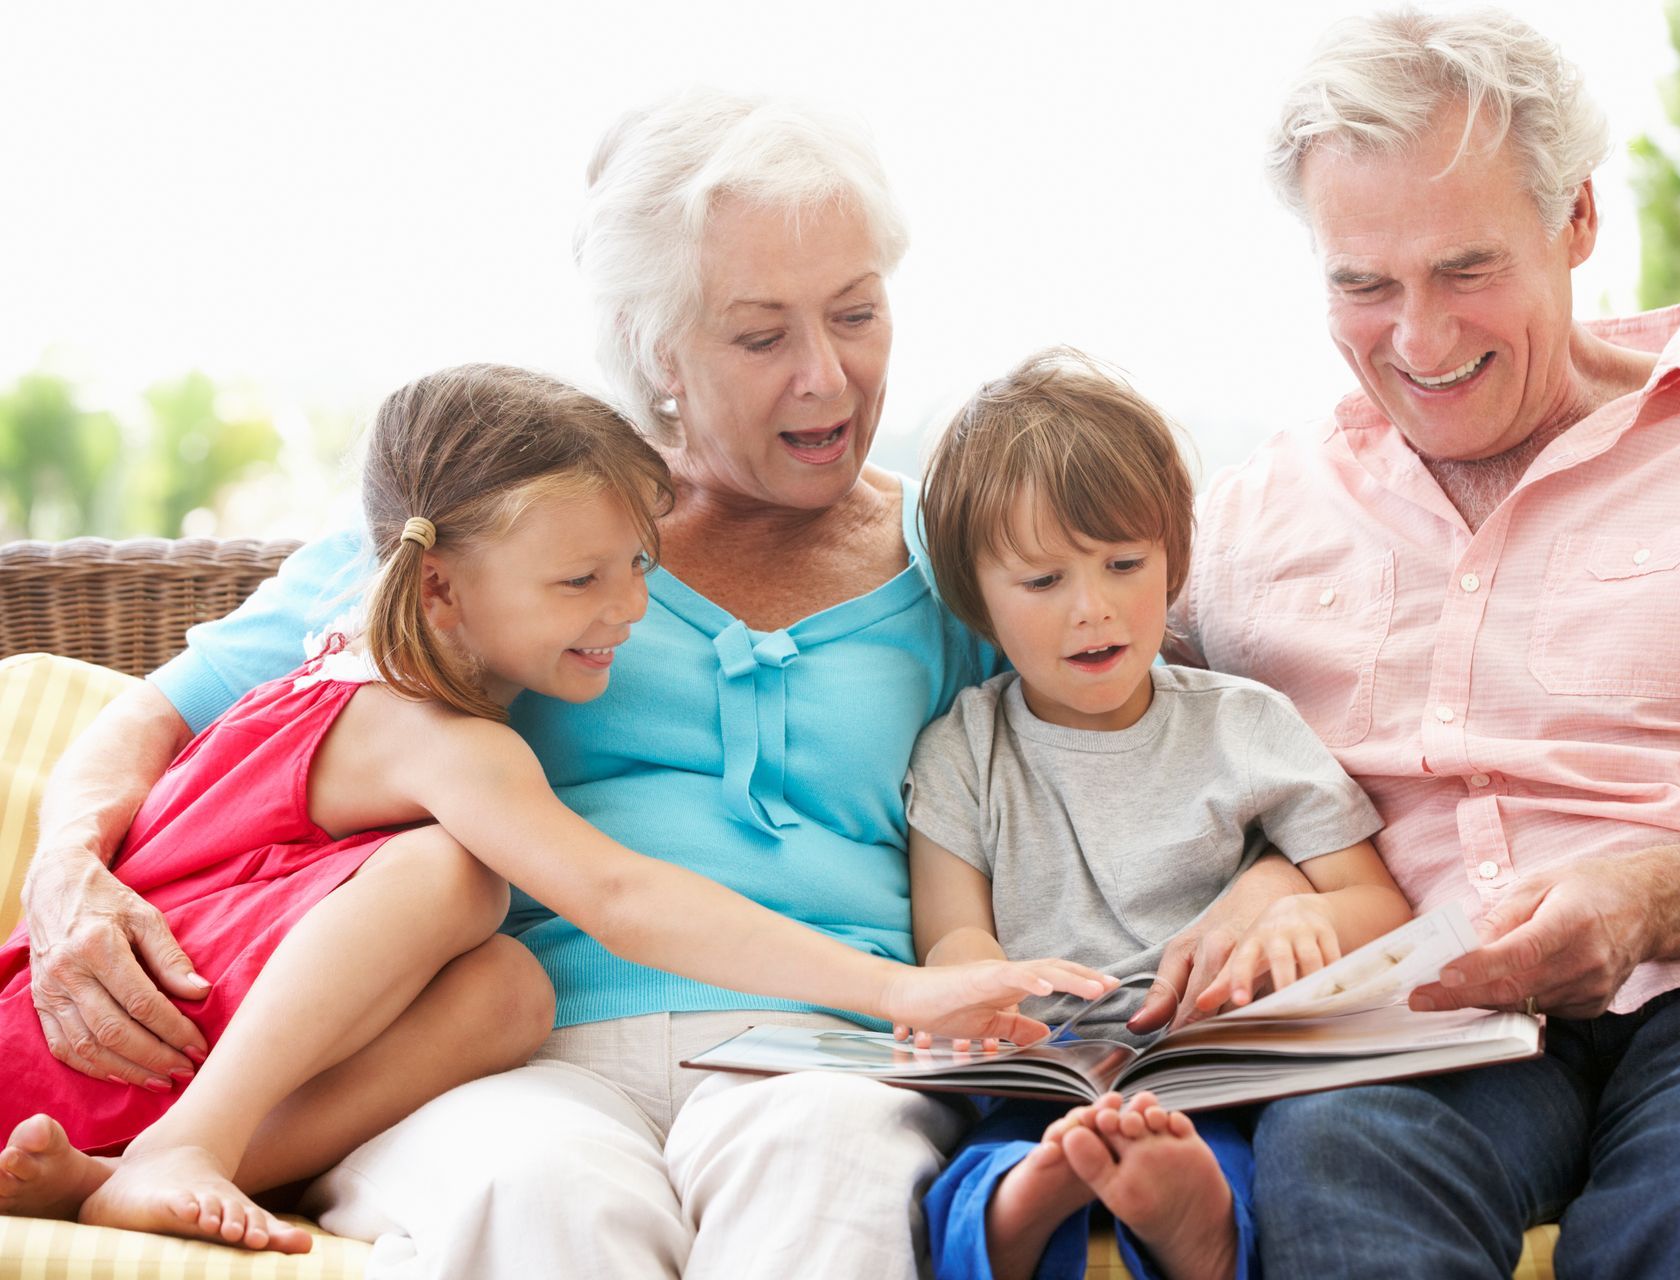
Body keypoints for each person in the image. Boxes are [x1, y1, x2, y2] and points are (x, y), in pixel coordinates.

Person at [13, 91, 1298, 1278]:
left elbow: (1152, 726)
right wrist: (68, 868)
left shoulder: (965, 562)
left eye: (856, 312)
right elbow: (158, 709)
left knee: (830, 1170)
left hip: (831, 1044)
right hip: (514, 1046)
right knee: (537, 1193)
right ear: (653, 349)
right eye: (760, 333)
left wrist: (1282, 869)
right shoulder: (503, 532)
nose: (828, 374)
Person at [0, 362, 1103, 1252]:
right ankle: (183, 1145)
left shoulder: (404, 667)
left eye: (638, 566)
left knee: (504, 988)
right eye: (583, 582)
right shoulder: (431, 734)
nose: (632, 608)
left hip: (184, 1038)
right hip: (114, 1043)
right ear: (434, 586)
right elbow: (619, 894)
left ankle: (158, 1159)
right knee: (456, 878)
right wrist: (905, 985)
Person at [1166, 8, 1680, 1278]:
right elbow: (1062, 667)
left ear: (1576, 219)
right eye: (1363, 283)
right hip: (1435, 1003)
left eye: (1466, 270)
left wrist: (1643, 899)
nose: (1419, 339)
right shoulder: (1249, 519)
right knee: (1339, 1153)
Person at [906, 349, 1412, 1280]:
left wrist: (1307, 912)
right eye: (1043, 581)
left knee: (1212, 1151)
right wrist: (989, 990)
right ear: (976, 600)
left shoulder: (1244, 722)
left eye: (1124, 564)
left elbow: (1379, 907)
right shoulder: (963, 748)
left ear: (1174, 557)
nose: (1092, 609)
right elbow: (950, 941)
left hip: (1212, 1068)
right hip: (1043, 1067)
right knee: (981, 1167)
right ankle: (1024, 1204)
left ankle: (1192, 1216)